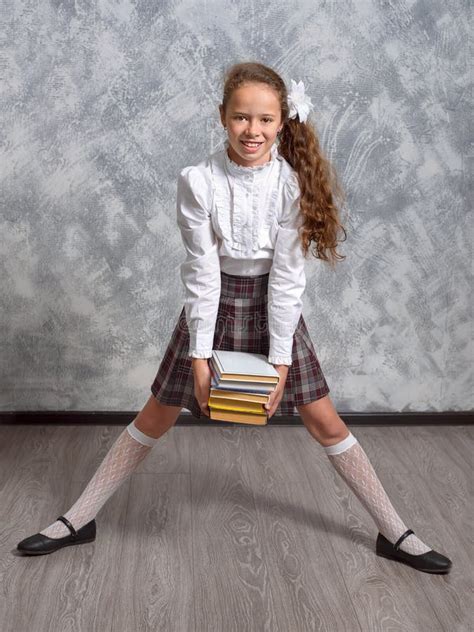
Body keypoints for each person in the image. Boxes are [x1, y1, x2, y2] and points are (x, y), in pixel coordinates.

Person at [17, 61, 452, 574]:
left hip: (274, 307)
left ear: (283, 123)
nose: (254, 130)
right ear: (222, 116)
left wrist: (281, 362)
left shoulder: (292, 184)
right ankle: (79, 517)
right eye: (242, 118)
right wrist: (200, 360)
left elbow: (288, 280)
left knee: (323, 419)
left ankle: (393, 531)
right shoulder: (197, 182)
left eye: (266, 120)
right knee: (157, 413)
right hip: (214, 304)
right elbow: (201, 275)